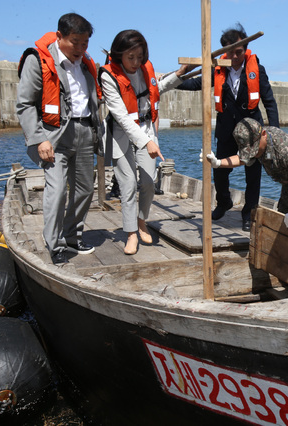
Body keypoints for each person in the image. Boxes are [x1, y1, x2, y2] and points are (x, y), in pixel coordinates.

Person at [99, 30, 195, 255]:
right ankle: (131, 233)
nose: (135, 62)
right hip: (121, 133)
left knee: (149, 182)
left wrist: (180, 74)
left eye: (139, 57)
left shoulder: (144, 69)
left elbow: (156, 88)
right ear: (119, 54)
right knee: (128, 183)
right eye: (130, 57)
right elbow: (121, 117)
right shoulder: (108, 76)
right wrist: (147, 142)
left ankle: (142, 220)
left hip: (145, 128)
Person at [17, 13, 102, 265]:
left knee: (86, 189)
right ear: (59, 37)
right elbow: (25, 105)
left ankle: (72, 236)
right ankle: (53, 246)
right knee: (56, 191)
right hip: (54, 135)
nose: (80, 49)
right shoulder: (38, 60)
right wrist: (38, 139)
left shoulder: (87, 64)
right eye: (74, 42)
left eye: (85, 43)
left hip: (86, 131)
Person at [176, 23, 279, 232]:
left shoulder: (257, 70)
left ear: (245, 49)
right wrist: (173, 81)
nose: (234, 56)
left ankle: (249, 213)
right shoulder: (218, 70)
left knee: (253, 174)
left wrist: (274, 132)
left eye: (238, 51)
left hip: (252, 132)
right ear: (223, 51)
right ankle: (224, 201)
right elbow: (196, 84)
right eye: (229, 52)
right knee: (220, 171)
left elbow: (269, 102)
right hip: (226, 131)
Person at [203, 117, 288, 231]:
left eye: (255, 149)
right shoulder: (256, 141)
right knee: (283, 226)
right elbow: (242, 158)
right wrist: (218, 163)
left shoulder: (287, 151)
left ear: (263, 134)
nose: (254, 153)